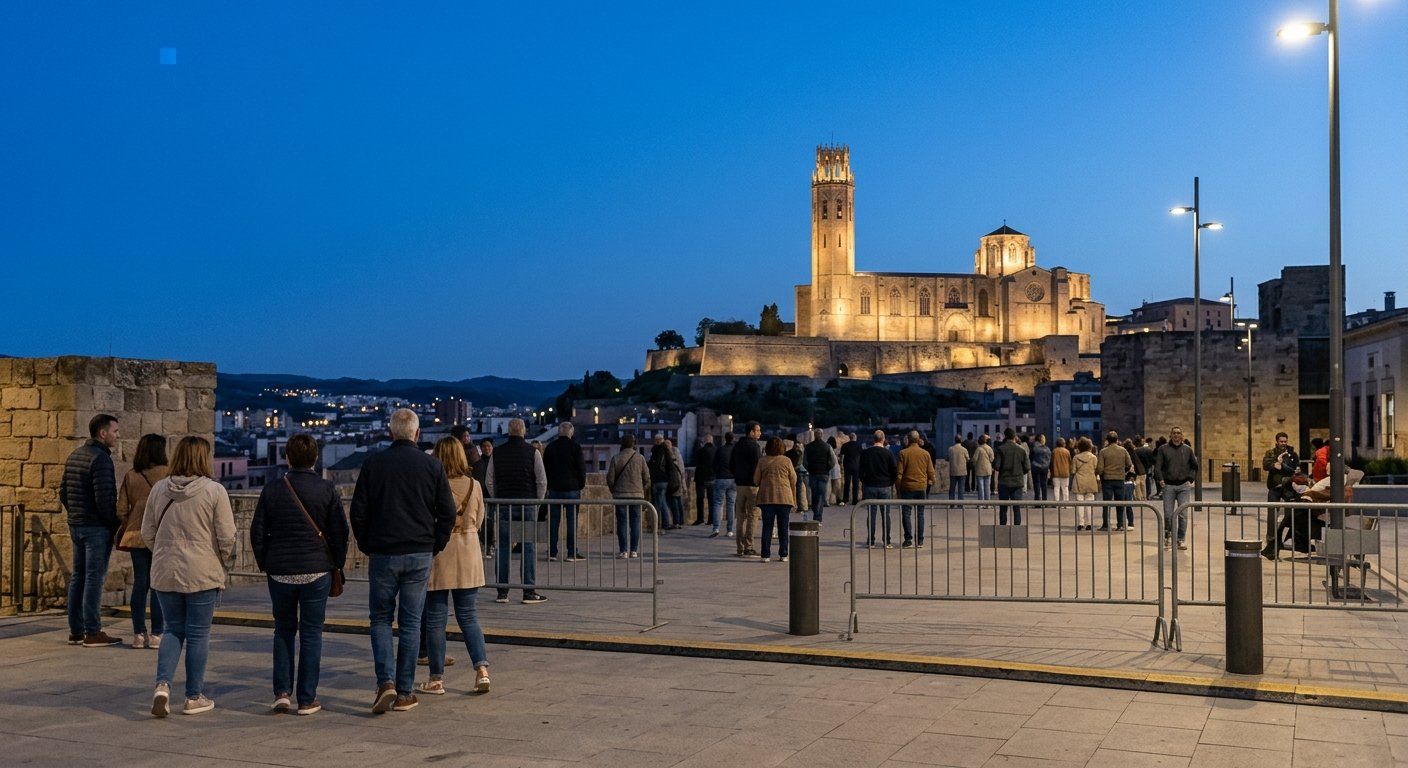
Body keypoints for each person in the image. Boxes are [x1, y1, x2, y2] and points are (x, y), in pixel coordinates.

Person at [351, 408, 457, 714]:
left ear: (390, 432)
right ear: (417, 433)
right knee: (411, 622)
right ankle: (405, 691)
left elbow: (358, 512)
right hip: (419, 551)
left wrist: (367, 544)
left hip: (384, 551)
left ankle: (385, 682)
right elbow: (447, 512)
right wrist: (435, 544)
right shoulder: (432, 466)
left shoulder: (373, 464)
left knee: (380, 619)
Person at [251, 433, 348, 716]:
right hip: (317, 570)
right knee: (311, 633)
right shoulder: (327, 489)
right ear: (315, 458)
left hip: (280, 571)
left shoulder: (272, 489)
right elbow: (340, 532)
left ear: (288, 458)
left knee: (283, 630)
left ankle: (282, 692)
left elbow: (257, 532)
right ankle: (307, 698)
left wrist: (266, 562)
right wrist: (336, 563)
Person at [143, 436, 235, 717]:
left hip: (165, 572)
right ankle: (193, 696)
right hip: (202, 573)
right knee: (198, 634)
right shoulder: (214, 491)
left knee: (172, 629)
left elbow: (147, 533)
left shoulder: (159, 489)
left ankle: (162, 686)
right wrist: (223, 561)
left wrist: (164, 553)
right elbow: (227, 536)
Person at [418, 437, 491, 697]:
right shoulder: (475, 485)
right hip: (469, 552)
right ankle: (482, 670)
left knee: (436, 619)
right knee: (468, 615)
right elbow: (479, 520)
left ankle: (436, 678)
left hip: (441, 554)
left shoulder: (432, 485)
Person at [61, 413, 123, 647]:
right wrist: (114, 525)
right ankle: (93, 631)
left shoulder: (75, 455)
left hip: (76, 524)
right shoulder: (101, 459)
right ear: (102, 433)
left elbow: (63, 492)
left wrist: (75, 513)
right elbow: (104, 500)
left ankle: (76, 630)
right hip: (96, 527)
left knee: (78, 576)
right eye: (115, 431)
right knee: (94, 578)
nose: (117, 436)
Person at [485, 418, 549, 604]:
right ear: (524, 431)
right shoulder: (533, 452)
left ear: (509, 431)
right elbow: (542, 481)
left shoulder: (497, 452)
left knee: (503, 547)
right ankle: (528, 591)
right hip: (527, 504)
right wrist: (536, 503)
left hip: (505, 504)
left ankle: (502, 592)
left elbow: (489, 480)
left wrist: (498, 498)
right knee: (528, 547)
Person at [116, 433, 169, 650]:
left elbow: (121, 509)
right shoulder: (167, 475)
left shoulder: (131, 475)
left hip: (136, 535)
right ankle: (157, 633)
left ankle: (139, 634)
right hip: (160, 536)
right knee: (157, 584)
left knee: (140, 583)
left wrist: (131, 522)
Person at [543, 422, 586, 562]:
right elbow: (581, 468)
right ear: (571, 432)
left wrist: (549, 485)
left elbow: (545, 469)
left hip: (554, 489)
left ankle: (552, 552)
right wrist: (580, 485)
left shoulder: (550, 447)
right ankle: (571, 553)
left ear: (559, 432)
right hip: (572, 489)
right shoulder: (575, 447)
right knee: (571, 522)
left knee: (553, 523)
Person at [606, 434, 651, 557]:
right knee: (635, 523)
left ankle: (623, 550)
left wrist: (614, 491)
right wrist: (641, 489)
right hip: (637, 495)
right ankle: (634, 550)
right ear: (634, 444)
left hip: (620, 495)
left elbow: (610, 479)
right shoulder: (640, 458)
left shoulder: (616, 458)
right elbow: (647, 478)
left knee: (622, 523)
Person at [753, 436, 797, 563]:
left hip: (766, 498)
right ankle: (783, 554)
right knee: (783, 527)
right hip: (784, 498)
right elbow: (794, 479)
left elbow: (756, 480)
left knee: (767, 527)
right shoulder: (787, 461)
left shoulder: (762, 461)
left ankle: (765, 555)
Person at [1154, 427, 1197, 550]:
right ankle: (1168, 537)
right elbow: (1158, 466)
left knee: (1183, 514)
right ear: (1170, 435)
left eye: (1178, 433)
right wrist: (1160, 479)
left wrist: (1191, 478)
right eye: (1174, 433)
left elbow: (1194, 465)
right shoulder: (1163, 449)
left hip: (1184, 486)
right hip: (1168, 486)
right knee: (1168, 514)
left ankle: (1180, 540)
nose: (1176, 435)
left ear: (1182, 435)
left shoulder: (1188, 449)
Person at [859, 430, 898, 548]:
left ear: (873, 439)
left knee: (871, 515)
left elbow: (861, 471)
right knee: (886, 515)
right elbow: (894, 471)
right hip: (885, 486)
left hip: (870, 486)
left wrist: (865, 482)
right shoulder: (888, 453)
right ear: (883, 439)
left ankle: (871, 541)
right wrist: (890, 483)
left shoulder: (866, 453)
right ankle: (887, 541)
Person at [1261, 431, 1299, 551]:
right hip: (1274, 486)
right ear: (1277, 442)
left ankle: (1289, 538)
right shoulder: (1271, 453)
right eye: (1281, 441)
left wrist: (1281, 465)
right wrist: (1275, 464)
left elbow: (1295, 469)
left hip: (1288, 487)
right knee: (1272, 512)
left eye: (1285, 441)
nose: (1283, 443)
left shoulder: (1292, 454)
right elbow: (1265, 465)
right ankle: (1271, 539)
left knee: (1291, 512)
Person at [897, 431, 936, 547]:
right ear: (918, 439)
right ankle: (920, 540)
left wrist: (898, 489)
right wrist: (930, 482)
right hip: (921, 487)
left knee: (906, 513)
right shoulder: (925, 454)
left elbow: (899, 474)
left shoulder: (903, 453)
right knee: (920, 514)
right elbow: (931, 472)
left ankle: (908, 539)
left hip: (907, 487)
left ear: (908, 440)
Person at [730, 422, 764, 557]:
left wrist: (738, 476)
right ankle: (748, 546)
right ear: (751, 432)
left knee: (740, 516)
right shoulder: (755, 446)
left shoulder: (737, 445)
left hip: (739, 485)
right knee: (753, 515)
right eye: (758, 430)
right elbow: (759, 466)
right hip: (752, 486)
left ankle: (739, 547)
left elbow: (731, 464)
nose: (760, 433)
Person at [1095, 431, 1134, 531]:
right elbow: (1129, 464)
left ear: (1107, 440)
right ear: (1117, 440)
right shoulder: (1123, 450)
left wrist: (1101, 475)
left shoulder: (1103, 451)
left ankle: (1105, 525)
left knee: (1106, 503)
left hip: (1107, 480)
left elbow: (1100, 468)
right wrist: (1123, 472)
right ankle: (1120, 524)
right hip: (1120, 479)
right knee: (1120, 503)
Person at [994, 429, 1029, 525]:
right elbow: (1027, 467)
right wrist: (1019, 472)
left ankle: (1003, 529)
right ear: (1014, 437)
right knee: (1016, 508)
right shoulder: (1021, 450)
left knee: (1003, 508)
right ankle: (1017, 529)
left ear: (1005, 436)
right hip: (1017, 482)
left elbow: (997, 466)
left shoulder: (1000, 449)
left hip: (1004, 482)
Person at [803, 428, 836, 523]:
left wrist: (809, 469)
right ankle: (818, 517)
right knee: (821, 495)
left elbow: (804, 461)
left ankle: (815, 512)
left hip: (813, 473)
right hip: (823, 474)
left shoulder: (808, 447)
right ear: (822, 435)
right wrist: (827, 468)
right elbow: (833, 460)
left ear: (814, 435)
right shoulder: (827, 446)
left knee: (814, 494)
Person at [710, 432, 737, 538]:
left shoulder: (720, 450)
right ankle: (729, 530)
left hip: (721, 478)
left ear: (725, 439)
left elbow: (714, 465)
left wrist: (717, 472)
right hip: (733, 479)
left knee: (718, 503)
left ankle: (716, 528)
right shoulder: (736, 450)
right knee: (731, 504)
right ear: (733, 439)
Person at [1071, 437, 1099, 530]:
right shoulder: (1094, 457)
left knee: (1080, 503)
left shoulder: (1076, 457)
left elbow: (1073, 471)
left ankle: (1080, 523)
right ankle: (1089, 523)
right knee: (1089, 502)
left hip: (1079, 481)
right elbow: (1096, 469)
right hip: (1090, 481)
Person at [647, 437, 674, 530]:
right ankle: (664, 523)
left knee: (658, 503)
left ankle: (657, 524)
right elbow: (671, 466)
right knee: (661, 502)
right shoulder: (666, 451)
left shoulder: (653, 451)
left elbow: (649, 464)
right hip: (663, 480)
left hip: (655, 480)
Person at [474, 438, 494, 557]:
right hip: (482, 497)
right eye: (484, 446)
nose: (486, 448)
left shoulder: (495, 463)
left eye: (488, 446)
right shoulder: (477, 465)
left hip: (491, 497)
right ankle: (487, 545)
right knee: (485, 523)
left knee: (489, 522)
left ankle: (489, 545)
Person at [692, 435, 715, 526]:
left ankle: (700, 518)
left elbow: (696, 462)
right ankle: (711, 519)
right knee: (711, 500)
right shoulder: (716, 451)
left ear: (704, 441)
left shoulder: (700, 451)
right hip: (712, 478)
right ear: (711, 441)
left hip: (701, 478)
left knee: (700, 499)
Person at [668, 438, 687, 529]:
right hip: (679, 480)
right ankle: (681, 521)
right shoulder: (678, 453)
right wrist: (684, 485)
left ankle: (676, 521)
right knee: (679, 501)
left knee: (674, 501)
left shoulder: (672, 454)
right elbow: (682, 469)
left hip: (673, 480)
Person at [840, 431, 864, 505]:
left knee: (847, 483)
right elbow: (862, 456)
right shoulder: (859, 445)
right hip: (856, 466)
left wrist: (842, 465)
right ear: (855, 438)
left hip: (847, 466)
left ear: (849, 438)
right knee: (855, 483)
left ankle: (845, 499)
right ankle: (855, 500)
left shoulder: (845, 445)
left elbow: (841, 457)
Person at [785, 436, 806, 511]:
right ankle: (800, 507)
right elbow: (800, 462)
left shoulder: (787, 453)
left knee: (791, 489)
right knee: (799, 490)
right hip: (799, 472)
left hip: (790, 473)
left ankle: (791, 505)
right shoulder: (799, 452)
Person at [971, 434, 995, 501]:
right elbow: (992, 458)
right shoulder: (989, 448)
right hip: (988, 470)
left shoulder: (978, 449)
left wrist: (975, 465)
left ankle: (981, 503)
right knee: (987, 487)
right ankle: (987, 503)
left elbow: (974, 459)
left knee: (981, 487)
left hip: (979, 470)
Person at [1049, 437, 1072, 507]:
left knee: (1056, 488)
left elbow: (1051, 463)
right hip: (1065, 473)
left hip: (1056, 473)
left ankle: (1056, 504)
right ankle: (1066, 504)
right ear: (1064, 444)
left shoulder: (1054, 451)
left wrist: (1051, 472)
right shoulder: (1067, 452)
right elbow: (1070, 462)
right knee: (1065, 488)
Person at [1029, 434, 1051, 502]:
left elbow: (1031, 457)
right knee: (1044, 485)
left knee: (1037, 484)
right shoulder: (1047, 449)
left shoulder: (1033, 447)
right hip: (1045, 468)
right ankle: (1045, 501)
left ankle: (1037, 502)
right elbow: (1049, 458)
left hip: (1035, 467)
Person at [947, 435, 969, 501]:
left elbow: (947, 458)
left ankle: (951, 503)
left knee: (952, 488)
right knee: (961, 488)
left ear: (955, 440)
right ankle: (960, 504)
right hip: (962, 471)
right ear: (961, 441)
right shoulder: (964, 449)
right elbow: (968, 459)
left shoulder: (950, 449)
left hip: (953, 471)